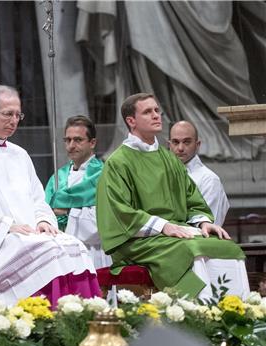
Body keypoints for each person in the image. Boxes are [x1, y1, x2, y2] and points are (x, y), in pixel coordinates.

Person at [0, 85, 101, 306]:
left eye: (18, 115)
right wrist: (6, 226)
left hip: (30, 233)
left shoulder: (20, 154)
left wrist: (44, 220)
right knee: (49, 253)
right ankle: (47, 323)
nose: (14, 121)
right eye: (8, 114)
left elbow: (37, 199)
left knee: (73, 246)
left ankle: (82, 321)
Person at [96, 93, 248, 299]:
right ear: (131, 121)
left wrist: (203, 221)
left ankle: (233, 310)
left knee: (226, 247)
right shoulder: (118, 162)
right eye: (148, 112)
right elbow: (119, 212)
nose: (156, 115)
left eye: (157, 110)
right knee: (192, 248)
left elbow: (191, 198)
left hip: (171, 235)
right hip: (137, 242)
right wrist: (163, 226)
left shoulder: (169, 159)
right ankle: (199, 312)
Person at [45, 115, 112, 268]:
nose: (71, 145)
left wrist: (67, 212)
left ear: (92, 142)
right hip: (60, 251)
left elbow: (103, 221)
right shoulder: (57, 178)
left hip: (93, 252)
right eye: (67, 140)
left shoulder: (104, 176)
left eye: (78, 140)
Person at [169, 120, 230, 225]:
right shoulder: (163, 174)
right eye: (175, 142)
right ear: (169, 145)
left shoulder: (209, 180)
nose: (180, 148)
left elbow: (208, 226)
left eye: (186, 142)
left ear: (197, 145)